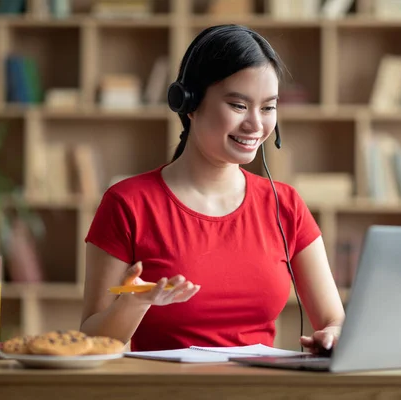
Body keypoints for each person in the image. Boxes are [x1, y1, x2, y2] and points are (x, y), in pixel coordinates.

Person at [80, 24, 344, 354]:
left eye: (268, 107)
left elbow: (333, 319)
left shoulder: (285, 204)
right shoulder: (127, 204)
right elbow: (90, 339)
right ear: (188, 102)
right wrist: (136, 303)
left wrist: (333, 336)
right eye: (238, 105)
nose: (256, 125)